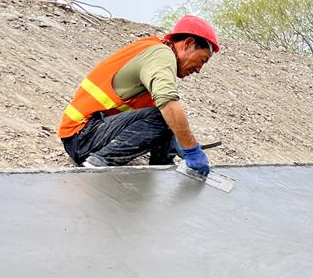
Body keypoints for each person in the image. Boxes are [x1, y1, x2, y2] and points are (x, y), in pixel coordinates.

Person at [58, 15, 219, 174]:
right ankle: (97, 165)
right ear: (188, 43)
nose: (199, 70)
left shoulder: (154, 53)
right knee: (166, 114)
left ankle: (163, 169)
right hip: (81, 137)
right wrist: (191, 148)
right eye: (203, 60)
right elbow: (168, 104)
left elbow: (162, 112)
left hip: (87, 134)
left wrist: (175, 140)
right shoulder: (162, 54)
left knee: (168, 117)